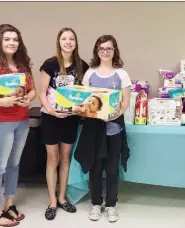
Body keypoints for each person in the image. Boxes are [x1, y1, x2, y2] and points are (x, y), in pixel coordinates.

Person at [0, 24, 36, 227]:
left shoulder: (22, 65)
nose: (12, 42)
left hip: (21, 120)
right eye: (7, 39)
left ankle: (8, 205)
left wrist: (27, 99)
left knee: (14, 165)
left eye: (15, 39)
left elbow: (32, 91)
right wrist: (4, 102)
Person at [74, 34, 131, 223]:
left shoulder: (121, 74)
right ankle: (96, 204)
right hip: (93, 130)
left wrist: (113, 115)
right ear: (96, 51)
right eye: (101, 48)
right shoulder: (90, 74)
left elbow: (125, 103)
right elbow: (84, 101)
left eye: (109, 48)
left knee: (112, 169)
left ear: (115, 51)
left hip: (114, 129)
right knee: (95, 167)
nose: (105, 52)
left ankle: (112, 205)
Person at [39, 27, 89, 220]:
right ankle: (52, 201)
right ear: (59, 42)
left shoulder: (81, 65)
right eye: (64, 39)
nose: (68, 42)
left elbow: (84, 93)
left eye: (71, 39)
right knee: (53, 159)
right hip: (51, 117)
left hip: (71, 118)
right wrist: (51, 111)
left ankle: (62, 197)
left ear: (76, 42)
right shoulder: (50, 64)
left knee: (66, 157)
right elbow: (42, 93)